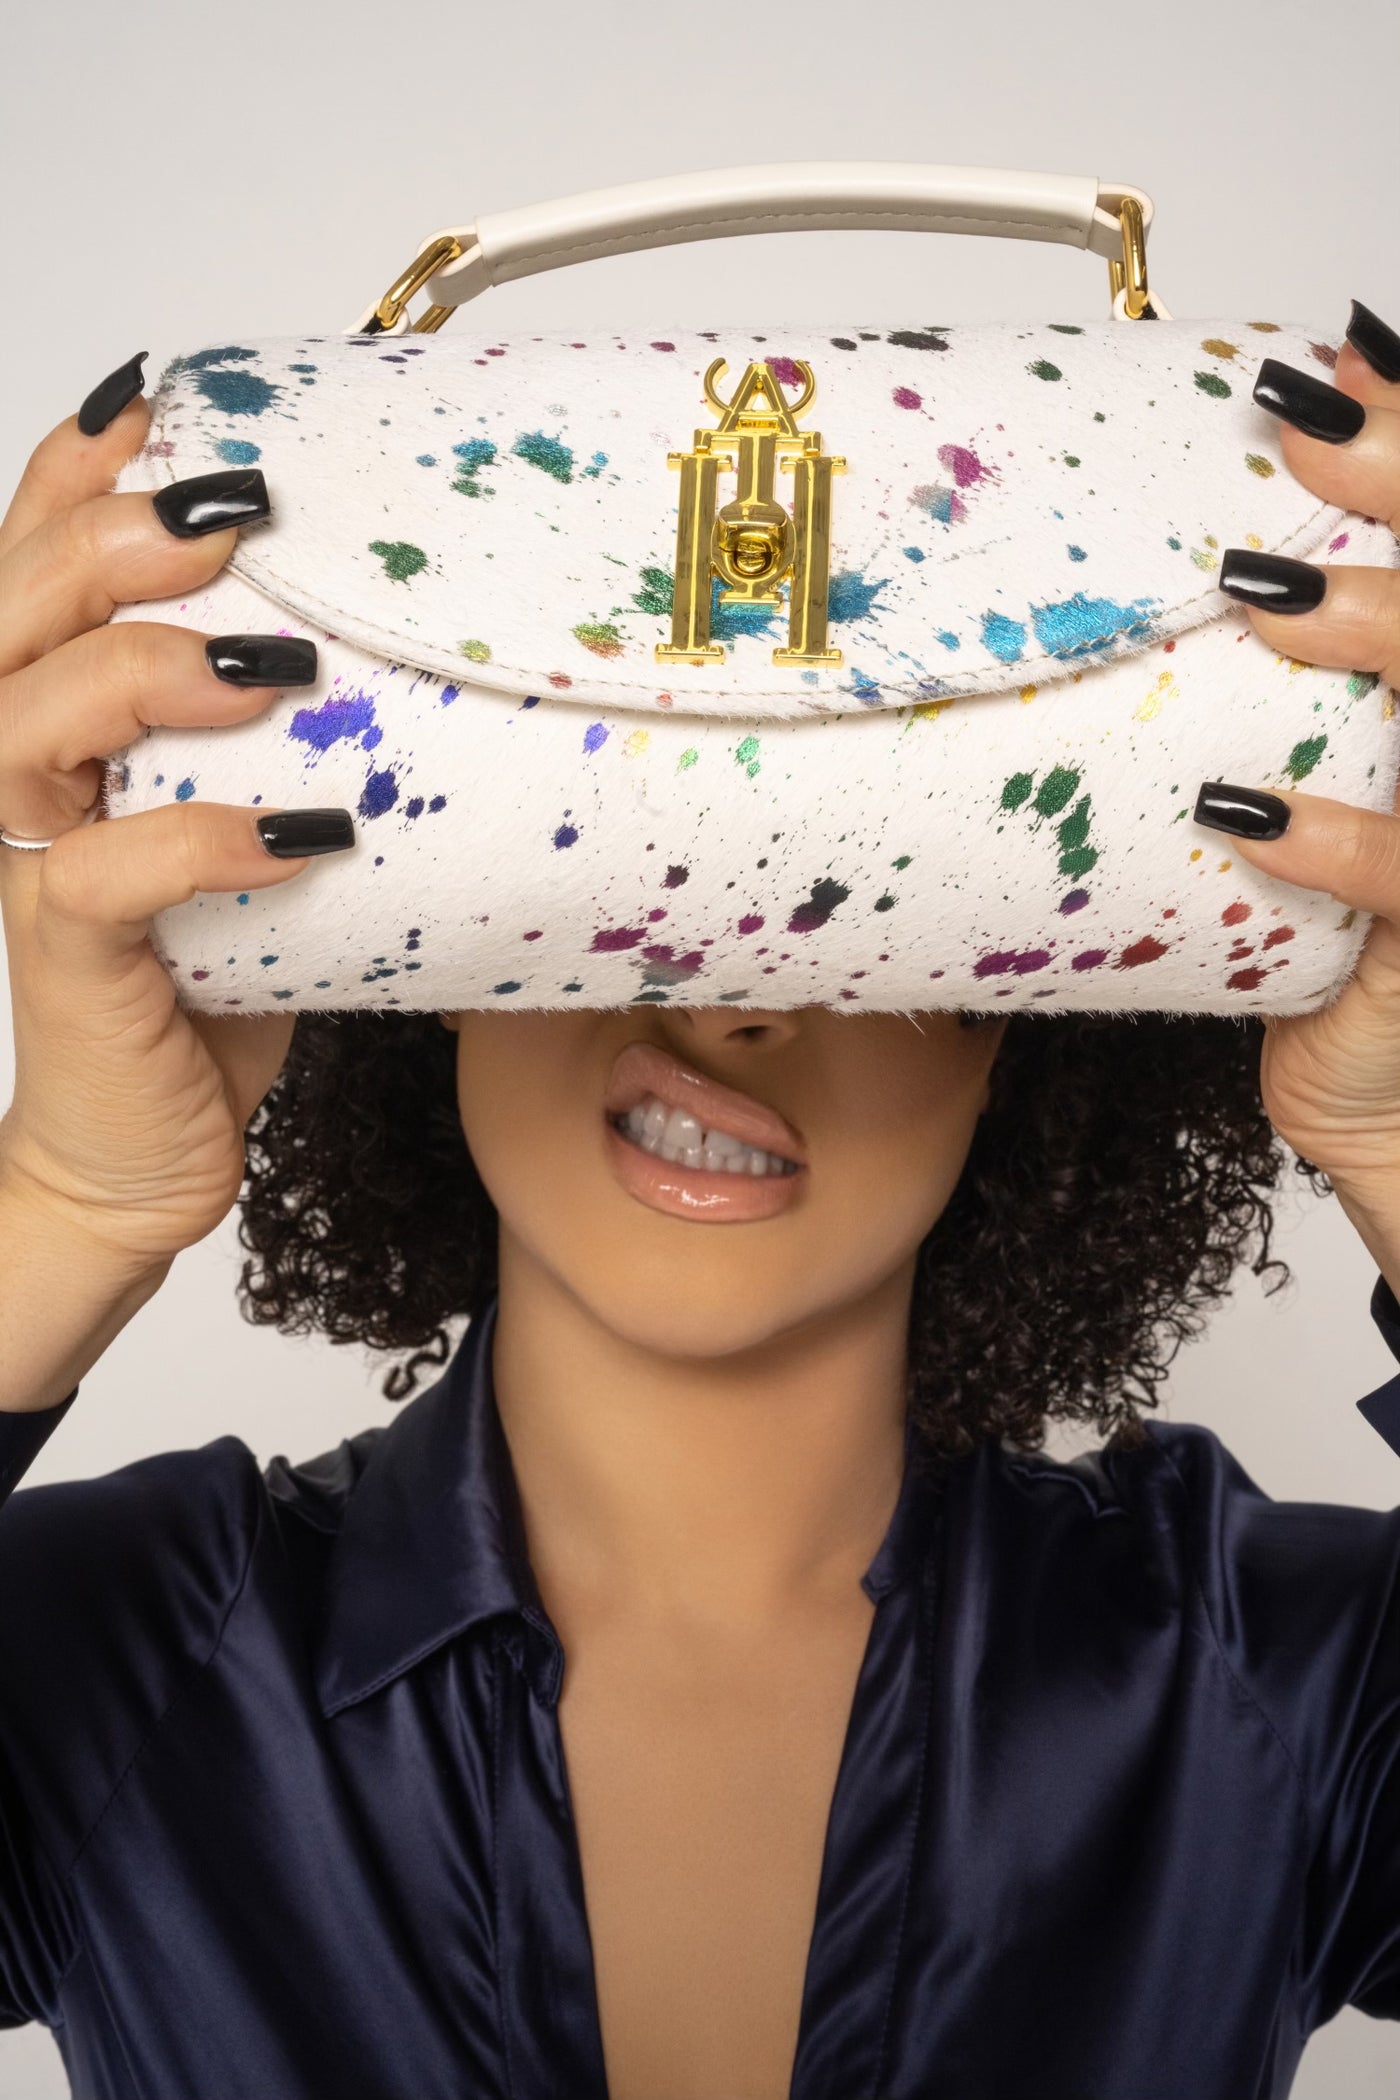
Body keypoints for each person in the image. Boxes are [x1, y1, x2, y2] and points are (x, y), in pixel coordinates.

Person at [0, 304, 1398, 2100]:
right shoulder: (119, 1659)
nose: (734, 991)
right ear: (429, 946)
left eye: (890, 891)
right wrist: (65, 1199)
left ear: (1038, 1011)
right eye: (613, 858)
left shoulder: (1276, 1671)